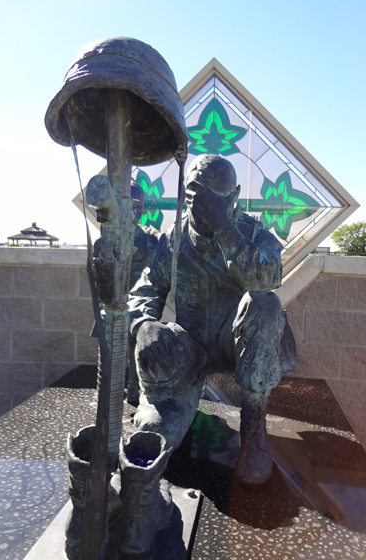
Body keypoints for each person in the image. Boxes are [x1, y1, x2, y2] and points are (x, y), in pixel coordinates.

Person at [128, 154, 294, 484]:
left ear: (233, 197)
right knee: (155, 436)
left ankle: (254, 430)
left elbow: (266, 278)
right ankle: (173, 406)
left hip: (237, 344)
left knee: (263, 303)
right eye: (193, 193)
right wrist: (143, 324)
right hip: (190, 351)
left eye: (211, 195)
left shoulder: (255, 233)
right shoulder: (174, 239)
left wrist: (225, 230)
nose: (198, 203)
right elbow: (144, 291)